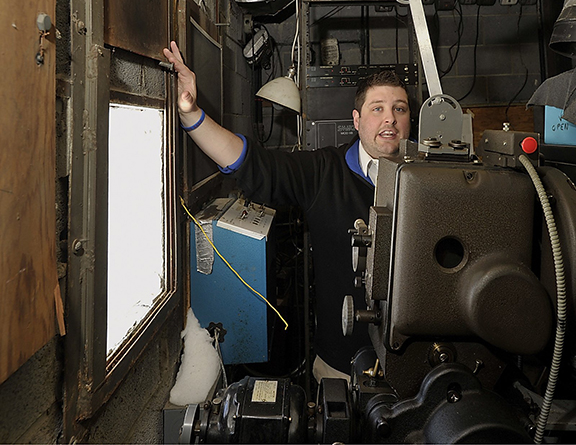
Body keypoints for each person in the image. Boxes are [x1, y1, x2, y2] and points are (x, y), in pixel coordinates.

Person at [163, 41, 412, 381]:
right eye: (377, 108)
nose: (390, 119)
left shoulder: (430, 182)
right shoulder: (325, 171)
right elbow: (252, 164)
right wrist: (190, 114)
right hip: (340, 366)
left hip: (413, 369)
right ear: (356, 120)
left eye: (399, 109)